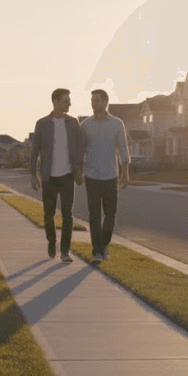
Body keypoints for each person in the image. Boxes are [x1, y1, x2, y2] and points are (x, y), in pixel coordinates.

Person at [29, 88, 84, 262]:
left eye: (69, 100)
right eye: (66, 100)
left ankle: (65, 251)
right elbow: (34, 150)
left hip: (67, 176)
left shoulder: (73, 123)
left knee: (68, 214)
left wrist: (79, 169)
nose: (69, 104)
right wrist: (33, 174)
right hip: (49, 177)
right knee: (48, 214)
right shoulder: (42, 123)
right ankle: (51, 242)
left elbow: (80, 148)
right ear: (56, 101)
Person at [81, 89, 130, 264]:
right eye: (92, 101)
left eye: (97, 101)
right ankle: (96, 251)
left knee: (110, 213)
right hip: (91, 176)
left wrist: (125, 173)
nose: (94, 104)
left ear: (105, 102)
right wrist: (78, 170)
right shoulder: (85, 125)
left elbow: (123, 149)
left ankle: (104, 244)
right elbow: (80, 150)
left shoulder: (117, 124)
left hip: (111, 175)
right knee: (94, 215)